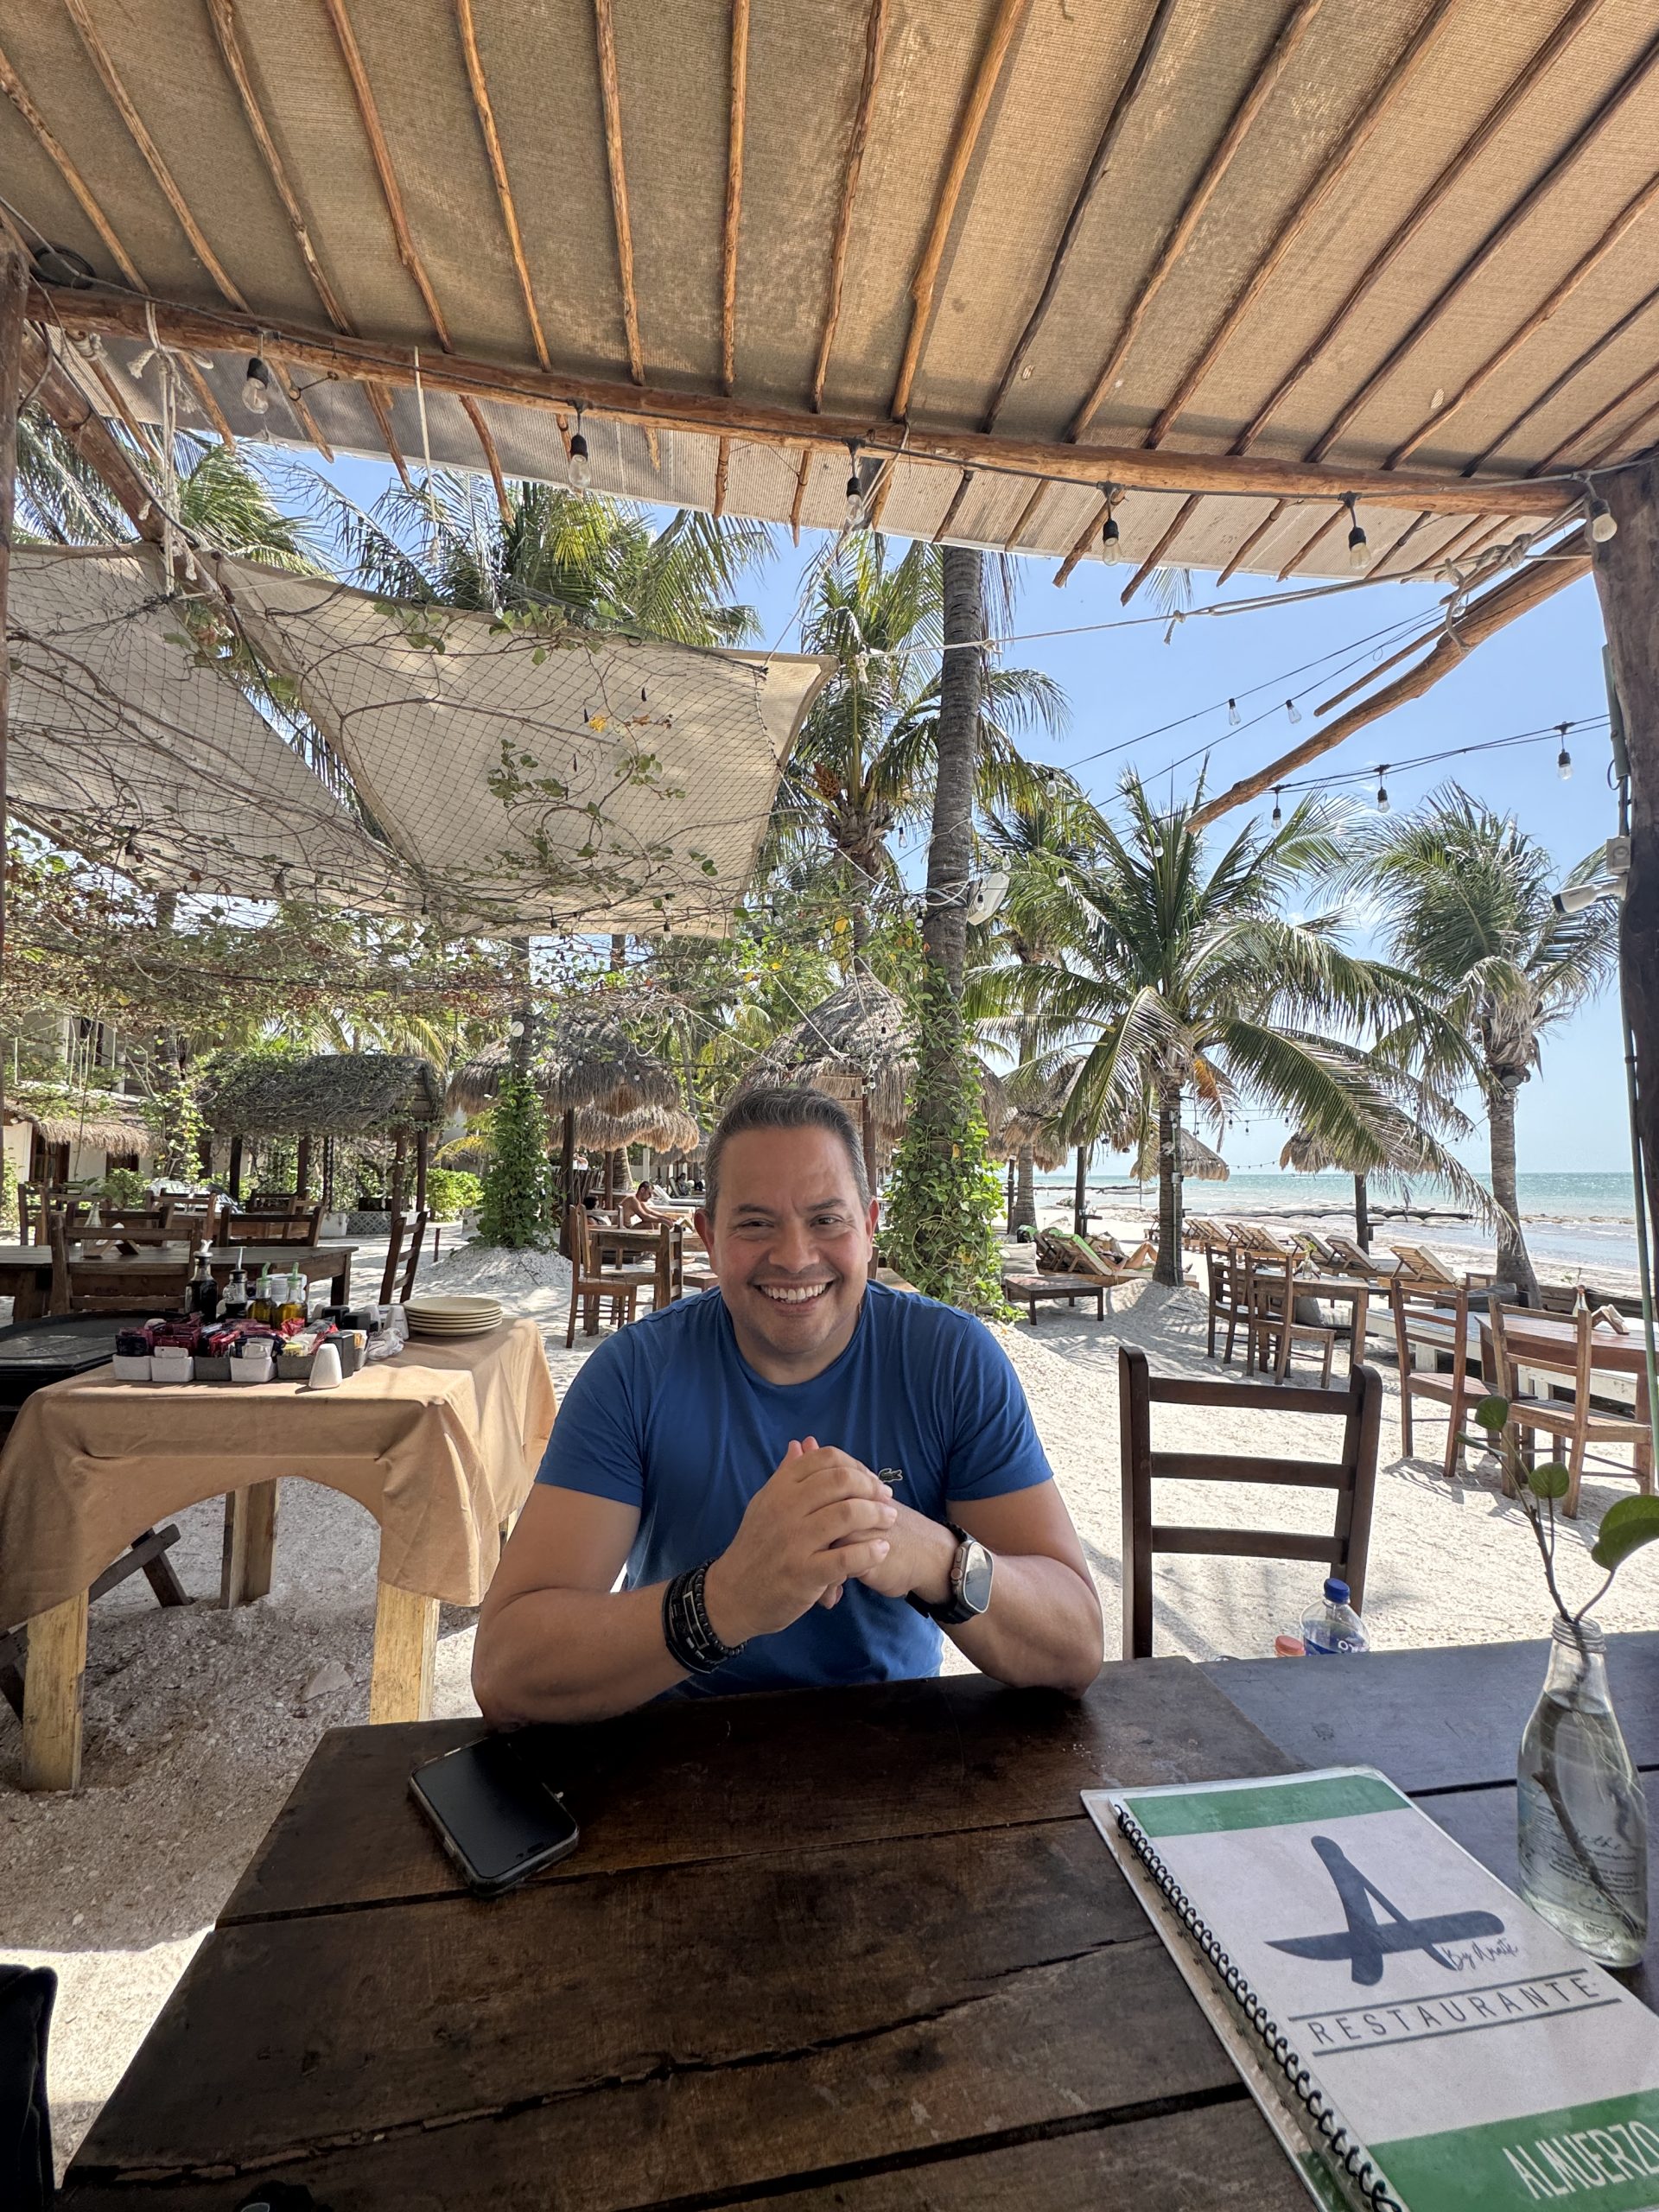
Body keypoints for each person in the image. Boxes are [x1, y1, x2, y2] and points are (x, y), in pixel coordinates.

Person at [474, 1086, 1103, 1725]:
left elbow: (1075, 1647)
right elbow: (507, 1670)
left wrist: (934, 1556)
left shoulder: (950, 1360)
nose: (795, 1257)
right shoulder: (634, 1374)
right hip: (669, 1755)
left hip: (897, 1747)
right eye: (755, 1224)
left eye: (826, 1220)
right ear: (709, 1238)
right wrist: (724, 1602)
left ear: (869, 1227)